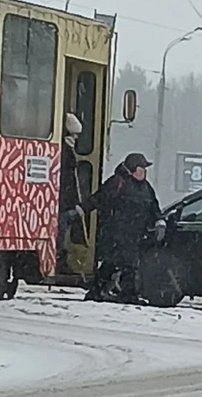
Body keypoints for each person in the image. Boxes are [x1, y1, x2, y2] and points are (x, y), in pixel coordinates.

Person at [66, 152, 165, 303]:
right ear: (132, 169)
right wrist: (81, 210)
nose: (144, 172)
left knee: (122, 264)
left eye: (145, 169)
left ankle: (103, 292)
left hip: (134, 235)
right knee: (121, 264)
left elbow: (153, 207)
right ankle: (118, 294)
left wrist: (159, 221)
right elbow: (98, 198)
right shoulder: (117, 182)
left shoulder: (146, 187)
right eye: (141, 168)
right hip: (116, 233)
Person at [58, 114, 86, 271]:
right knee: (62, 233)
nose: (76, 137)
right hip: (65, 200)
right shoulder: (66, 151)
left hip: (65, 200)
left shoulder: (66, 150)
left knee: (63, 232)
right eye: (74, 134)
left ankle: (62, 260)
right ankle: (61, 261)